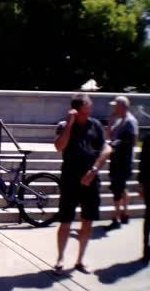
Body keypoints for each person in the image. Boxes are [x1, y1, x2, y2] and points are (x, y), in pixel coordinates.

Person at [53, 94, 111, 274]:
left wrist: (94, 170)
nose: (88, 114)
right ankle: (60, 258)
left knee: (88, 220)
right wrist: (70, 123)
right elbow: (59, 146)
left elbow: (107, 148)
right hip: (70, 180)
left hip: (91, 180)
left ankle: (80, 260)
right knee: (65, 221)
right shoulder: (65, 126)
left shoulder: (96, 125)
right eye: (84, 112)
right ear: (76, 111)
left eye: (89, 111)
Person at [105, 96, 138, 231]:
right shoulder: (119, 121)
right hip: (117, 160)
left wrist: (117, 144)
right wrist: (110, 121)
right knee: (121, 187)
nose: (114, 108)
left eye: (116, 106)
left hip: (123, 161)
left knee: (117, 189)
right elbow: (109, 136)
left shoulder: (130, 121)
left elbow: (133, 141)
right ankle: (125, 213)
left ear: (122, 106)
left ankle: (116, 217)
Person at [139, 133, 150, 263]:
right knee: (148, 218)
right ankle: (146, 249)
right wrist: (141, 186)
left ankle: (146, 249)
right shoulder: (148, 140)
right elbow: (143, 164)